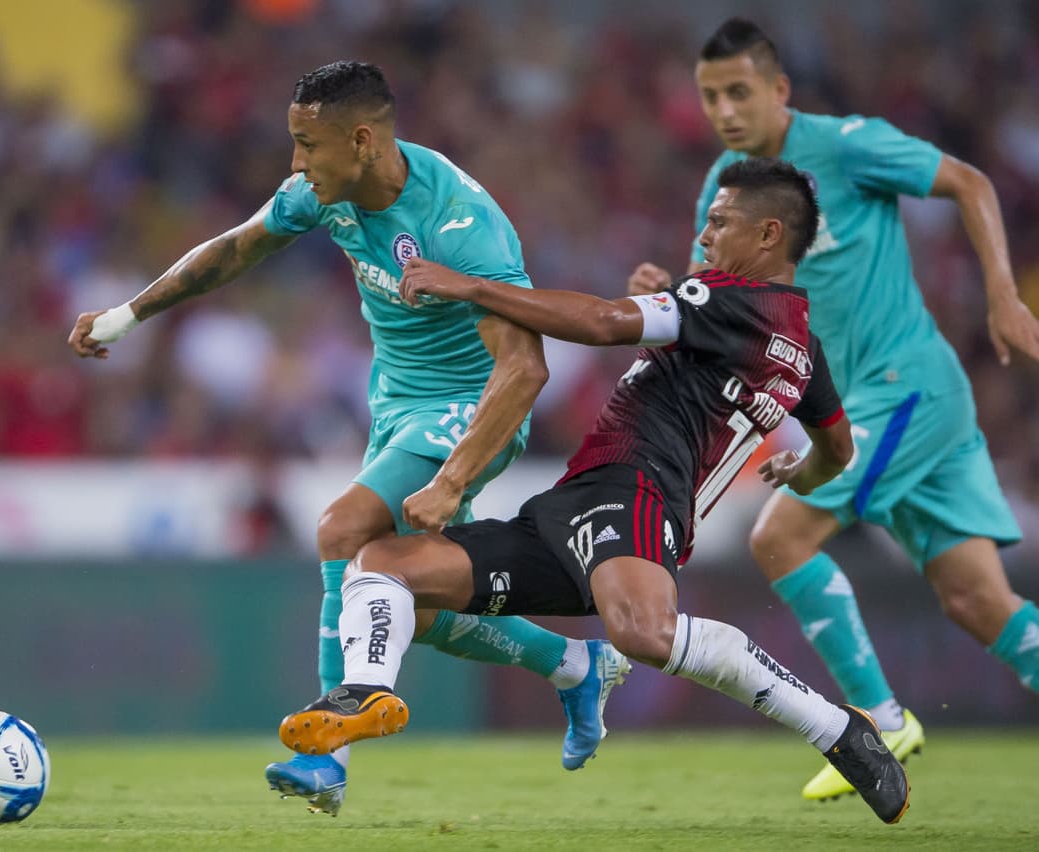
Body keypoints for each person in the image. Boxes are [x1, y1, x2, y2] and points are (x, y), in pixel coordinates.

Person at [67, 61, 628, 816]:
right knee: (407, 607)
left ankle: (328, 755)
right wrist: (128, 315)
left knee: (343, 528)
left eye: (308, 145)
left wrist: (454, 479)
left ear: (361, 140)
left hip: (474, 406)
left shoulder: (459, 226)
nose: (296, 163)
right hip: (396, 407)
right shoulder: (322, 196)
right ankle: (573, 664)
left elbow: (524, 370)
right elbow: (234, 249)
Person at [277, 157, 911, 825]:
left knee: (644, 631)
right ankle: (366, 695)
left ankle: (839, 730)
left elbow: (606, 321)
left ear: (769, 236)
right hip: (575, 508)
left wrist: (470, 287)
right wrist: (799, 473)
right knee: (382, 564)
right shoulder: (798, 343)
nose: (704, 238)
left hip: (636, 494)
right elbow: (836, 449)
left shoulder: (731, 302)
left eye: (720, 223)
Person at [627, 17, 1039, 801]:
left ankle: (879, 720)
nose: (724, 109)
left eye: (739, 91)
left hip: (904, 388)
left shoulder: (848, 145)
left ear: (780, 90)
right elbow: (714, 293)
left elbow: (970, 183)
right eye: (711, 95)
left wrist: (1004, 297)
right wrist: (663, 293)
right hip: (870, 405)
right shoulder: (727, 180)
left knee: (779, 534)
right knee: (978, 600)